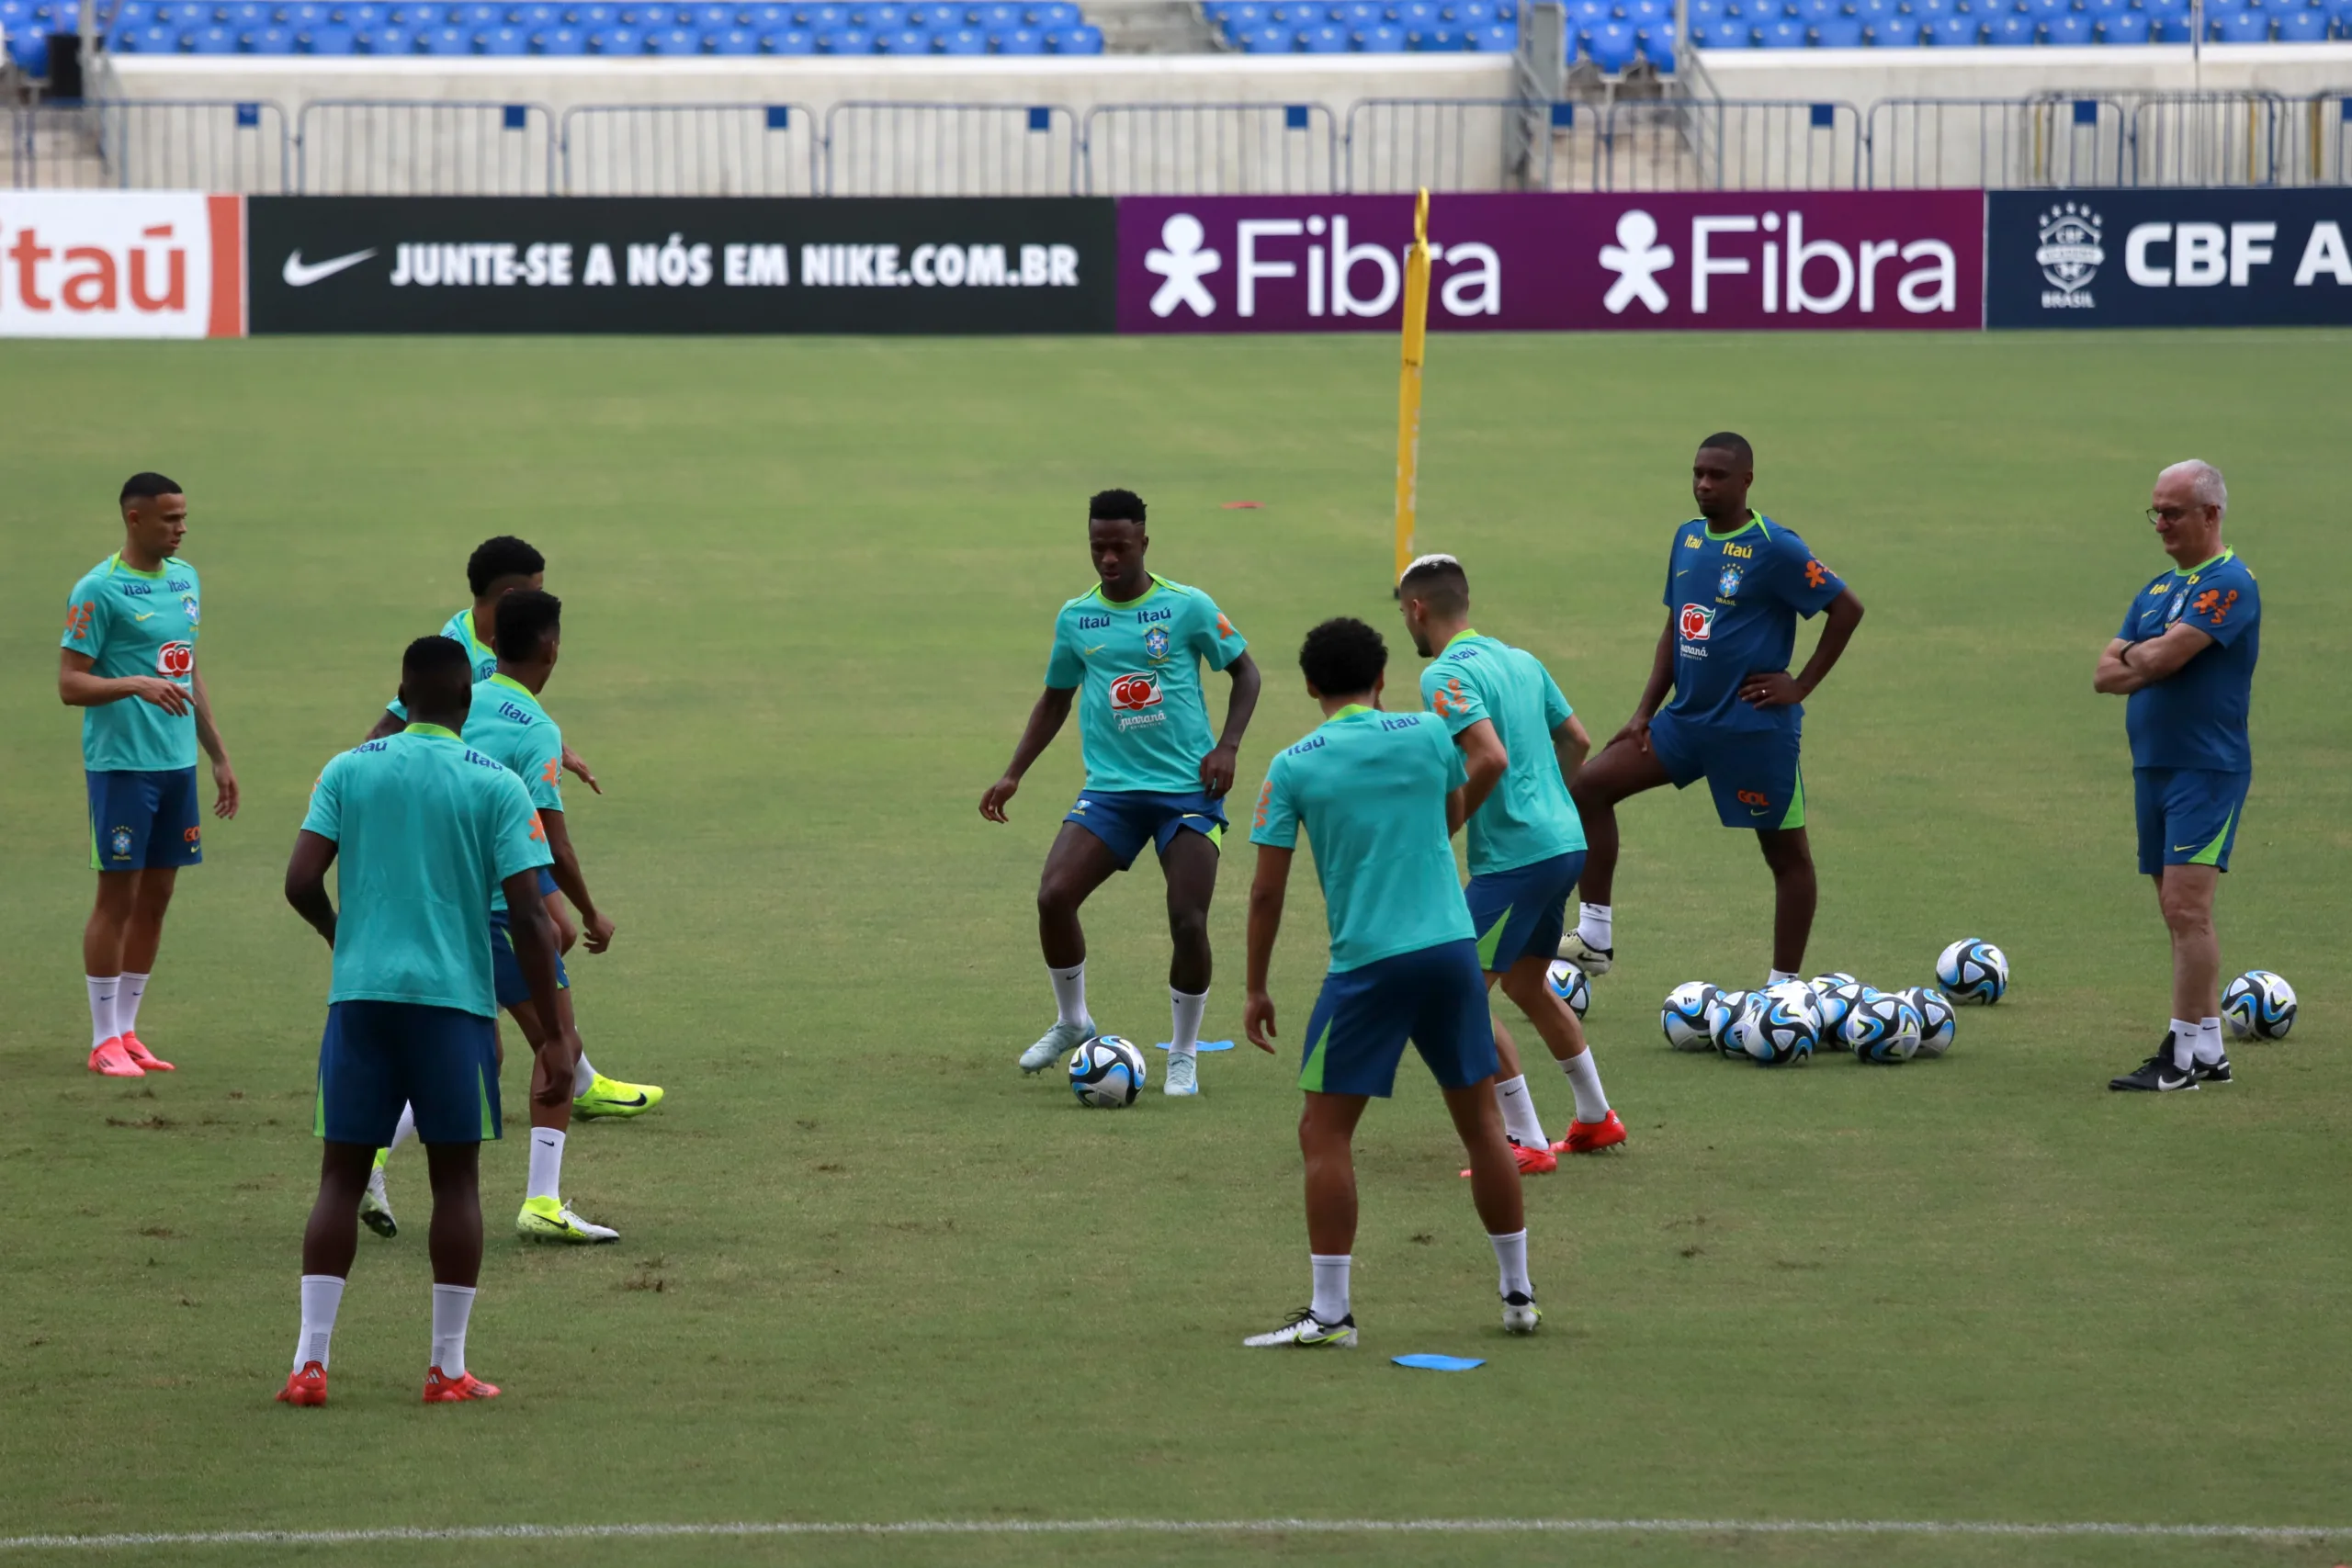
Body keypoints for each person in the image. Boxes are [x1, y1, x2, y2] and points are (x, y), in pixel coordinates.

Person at [277, 636, 575, 1406]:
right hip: (455, 1007)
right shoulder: (496, 784)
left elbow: (301, 879)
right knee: (456, 1182)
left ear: (403, 696)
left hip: (362, 1001)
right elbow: (532, 921)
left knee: (340, 1177)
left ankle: (310, 1364)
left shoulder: (349, 767)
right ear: (466, 703)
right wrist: (554, 1030)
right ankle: (445, 1367)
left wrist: (342, 938)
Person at [1241, 617, 1537, 1347]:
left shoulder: (1291, 765)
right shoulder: (1430, 734)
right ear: (1381, 679)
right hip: (1450, 952)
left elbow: (1264, 894)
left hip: (1368, 965)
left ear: (1309, 685)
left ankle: (1332, 1313)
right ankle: (1518, 1295)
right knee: (1481, 1126)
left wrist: (1255, 986)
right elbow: (1448, 816)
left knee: (1324, 1130)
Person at [364, 536, 658, 1127]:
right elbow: (395, 727)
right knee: (541, 950)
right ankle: (566, 1072)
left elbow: (510, 720)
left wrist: (555, 749)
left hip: (497, 836)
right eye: (537, 593)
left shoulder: (501, 654)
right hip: (480, 850)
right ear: (507, 598)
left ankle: (575, 1071)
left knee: (560, 933)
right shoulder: (452, 652)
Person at [980, 489, 1261, 1098]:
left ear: (1143, 543)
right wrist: (1014, 772)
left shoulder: (1187, 607)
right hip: (1111, 791)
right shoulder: (1077, 618)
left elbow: (1246, 672)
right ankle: (1073, 1019)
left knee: (1187, 919)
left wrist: (1229, 745)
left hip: (1188, 789)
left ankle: (1183, 1053)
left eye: (1119, 546)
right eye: (1097, 547)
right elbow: (1056, 697)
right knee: (1054, 895)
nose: (1108, 558)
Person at [366, 591, 628, 1243]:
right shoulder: (535, 726)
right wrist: (591, 910)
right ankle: (540, 1200)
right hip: (497, 909)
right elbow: (553, 840)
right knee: (556, 1045)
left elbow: (384, 747)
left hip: (433, 898)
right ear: (551, 646)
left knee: (479, 1051)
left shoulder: (462, 692)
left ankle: (369, 1158)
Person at [1564, 434, 1864, 987]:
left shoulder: (1777, 547)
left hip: (1753, 732)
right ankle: (1595, 936)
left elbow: (1846, 608)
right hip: (1684, 723)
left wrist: (1800, 684)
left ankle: (1783, 989)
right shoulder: (1688, 538)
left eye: (1718, 475)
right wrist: (1643, 712)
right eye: (1698, 473)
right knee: (1587, 787)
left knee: (1787, 857)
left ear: (1747, 480)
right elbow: (1677, 628)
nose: (1704, 484)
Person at [1395, 555, 1624, 1176]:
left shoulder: (1443, 674)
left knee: (1456, 993)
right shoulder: (1522, 660)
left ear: (1417, 609)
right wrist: (1549, 800)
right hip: (1563, 843)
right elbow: (1577, 738)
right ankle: (1596, 1117)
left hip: (1516, 859)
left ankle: (1522, 1139)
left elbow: (1488, 757)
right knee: (1524, 983)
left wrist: (1442, 832)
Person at [58, 473, 238, 1078]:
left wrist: (217, 754)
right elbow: (70, 682)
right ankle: (101, 1037)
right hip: (121, 769)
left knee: (158, 898)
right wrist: (134, 683)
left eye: (183, 517)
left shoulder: (186, 581)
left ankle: (129, 1029)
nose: (181, 528)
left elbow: (189, 673)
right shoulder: (98, 589)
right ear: (134, 519)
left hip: (175, 767)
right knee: (118, 897)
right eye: (169, 519)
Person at [2095, 460, 2260, 1093]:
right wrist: (2151, 655)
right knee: (2176, 911)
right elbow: (2103, 673)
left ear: (2211, 515)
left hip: (2206, 768)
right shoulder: (2159, 590)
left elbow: (2157, 656)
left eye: (2173, 512)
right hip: (2155, 767)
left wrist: (2147, 653)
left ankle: (2181, 1056)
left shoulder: (2230, 584)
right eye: (2155, 511)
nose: (2159, 523)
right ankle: (2211, 1048)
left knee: (2187, 908)